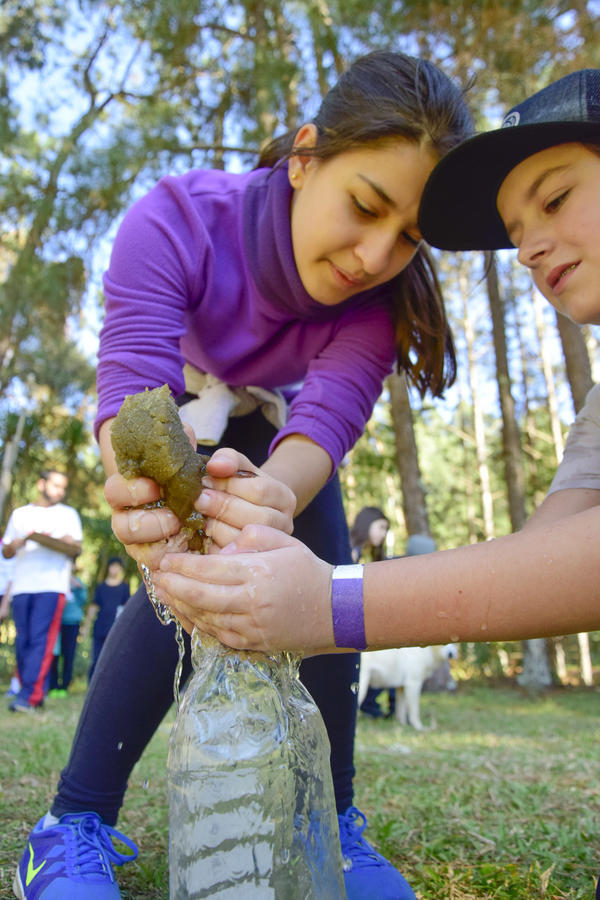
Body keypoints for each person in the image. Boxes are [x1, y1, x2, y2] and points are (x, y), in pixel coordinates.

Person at [13, 50, 473, 900]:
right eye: (365, 207)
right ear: (305, 158)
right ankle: (72, 824)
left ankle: (330, 823)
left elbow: (323, 424)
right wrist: (142, 496)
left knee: (327, 587)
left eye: (407, 235)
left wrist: (275, 502)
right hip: (181, 408)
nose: (376, 255)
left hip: (281, 425)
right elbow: (131, 388)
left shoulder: (376, 305)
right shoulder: (177, 218)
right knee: (182, 581)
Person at [2, 470, 82, 713]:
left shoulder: (68, 515)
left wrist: (66, 543)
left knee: (41, 640)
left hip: (51, 585)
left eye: (63, 487)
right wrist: (15, 544)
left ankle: (29, 696)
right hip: (22, 586)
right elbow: (6, 552)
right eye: (56, 485)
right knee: (23, 642)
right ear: (41, 484)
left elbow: (76, 549)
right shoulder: (20, 515)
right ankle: (32, 691)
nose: (60, 491)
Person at [350, 506, 395, 717]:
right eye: (381, 527)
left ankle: (370, 704)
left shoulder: (366, 553)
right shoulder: (351, 550)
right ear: (367, 524)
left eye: (386, 529)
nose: (383, 533)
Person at [80, 557, 129, 682]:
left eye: (118, 567)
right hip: (100, 627)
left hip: (116, 628)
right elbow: (94, 607)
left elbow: (126, 608)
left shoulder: (124, 587)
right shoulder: (101, 587)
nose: (115, 569)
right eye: (113, 566)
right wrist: (86, 626)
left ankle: (109, 683)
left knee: (113, 658)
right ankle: (92, 684)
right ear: (108, 567)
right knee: (97, 658)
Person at [49, 571, 87, 696]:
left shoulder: (77, 582)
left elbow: (83, 600)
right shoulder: (55, 579)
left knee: (68, 655)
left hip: (72, 623)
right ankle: (53, 685)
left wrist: (77, 587)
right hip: (55, 622)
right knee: (54, 655)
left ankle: (64, 686)